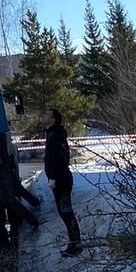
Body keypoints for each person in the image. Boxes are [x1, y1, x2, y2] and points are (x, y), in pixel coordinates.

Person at [43, 107, 82, 257]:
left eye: (47, 114)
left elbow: (61, 158)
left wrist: (53, 177)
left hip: (62, 180)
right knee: (64, 212)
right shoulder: (51, 134)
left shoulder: (56, 136)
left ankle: (76, 245)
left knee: (66, 212)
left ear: (53, 119)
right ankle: (74, 243)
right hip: (59, 180)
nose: (44, 116)